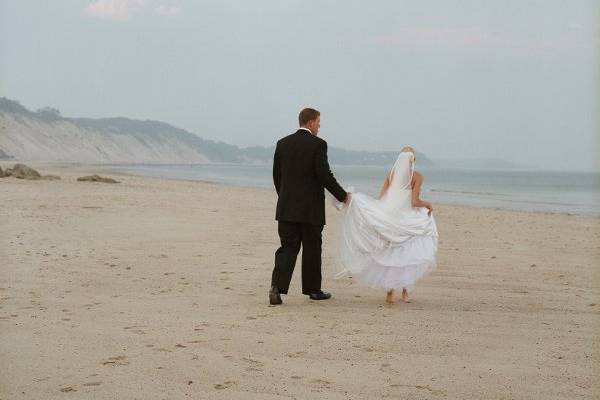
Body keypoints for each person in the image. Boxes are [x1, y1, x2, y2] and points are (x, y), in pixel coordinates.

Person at [335, 146, 438, 304]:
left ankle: (390, 292)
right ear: (413, 160)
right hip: (406, 218)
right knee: (407, 254)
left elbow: (381, 198)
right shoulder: (417, 176)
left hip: (390, 218)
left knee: (390, 253)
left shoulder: (391, 175)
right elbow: (414, 202)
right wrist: (427, 205)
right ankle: (405, 291)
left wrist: (379, 216)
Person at [269, 108, 350, 305]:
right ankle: (313, 290)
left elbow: (277, 176)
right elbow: (324, 175)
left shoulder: (283, 143)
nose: (320, 126)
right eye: (319, 122)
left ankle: (276, 288)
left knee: (287, 248)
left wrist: (286, 198)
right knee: (312, 249)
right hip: (310, 209)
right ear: (311, 122)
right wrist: (343, 196)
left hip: (287, 208)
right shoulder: (318, 145)